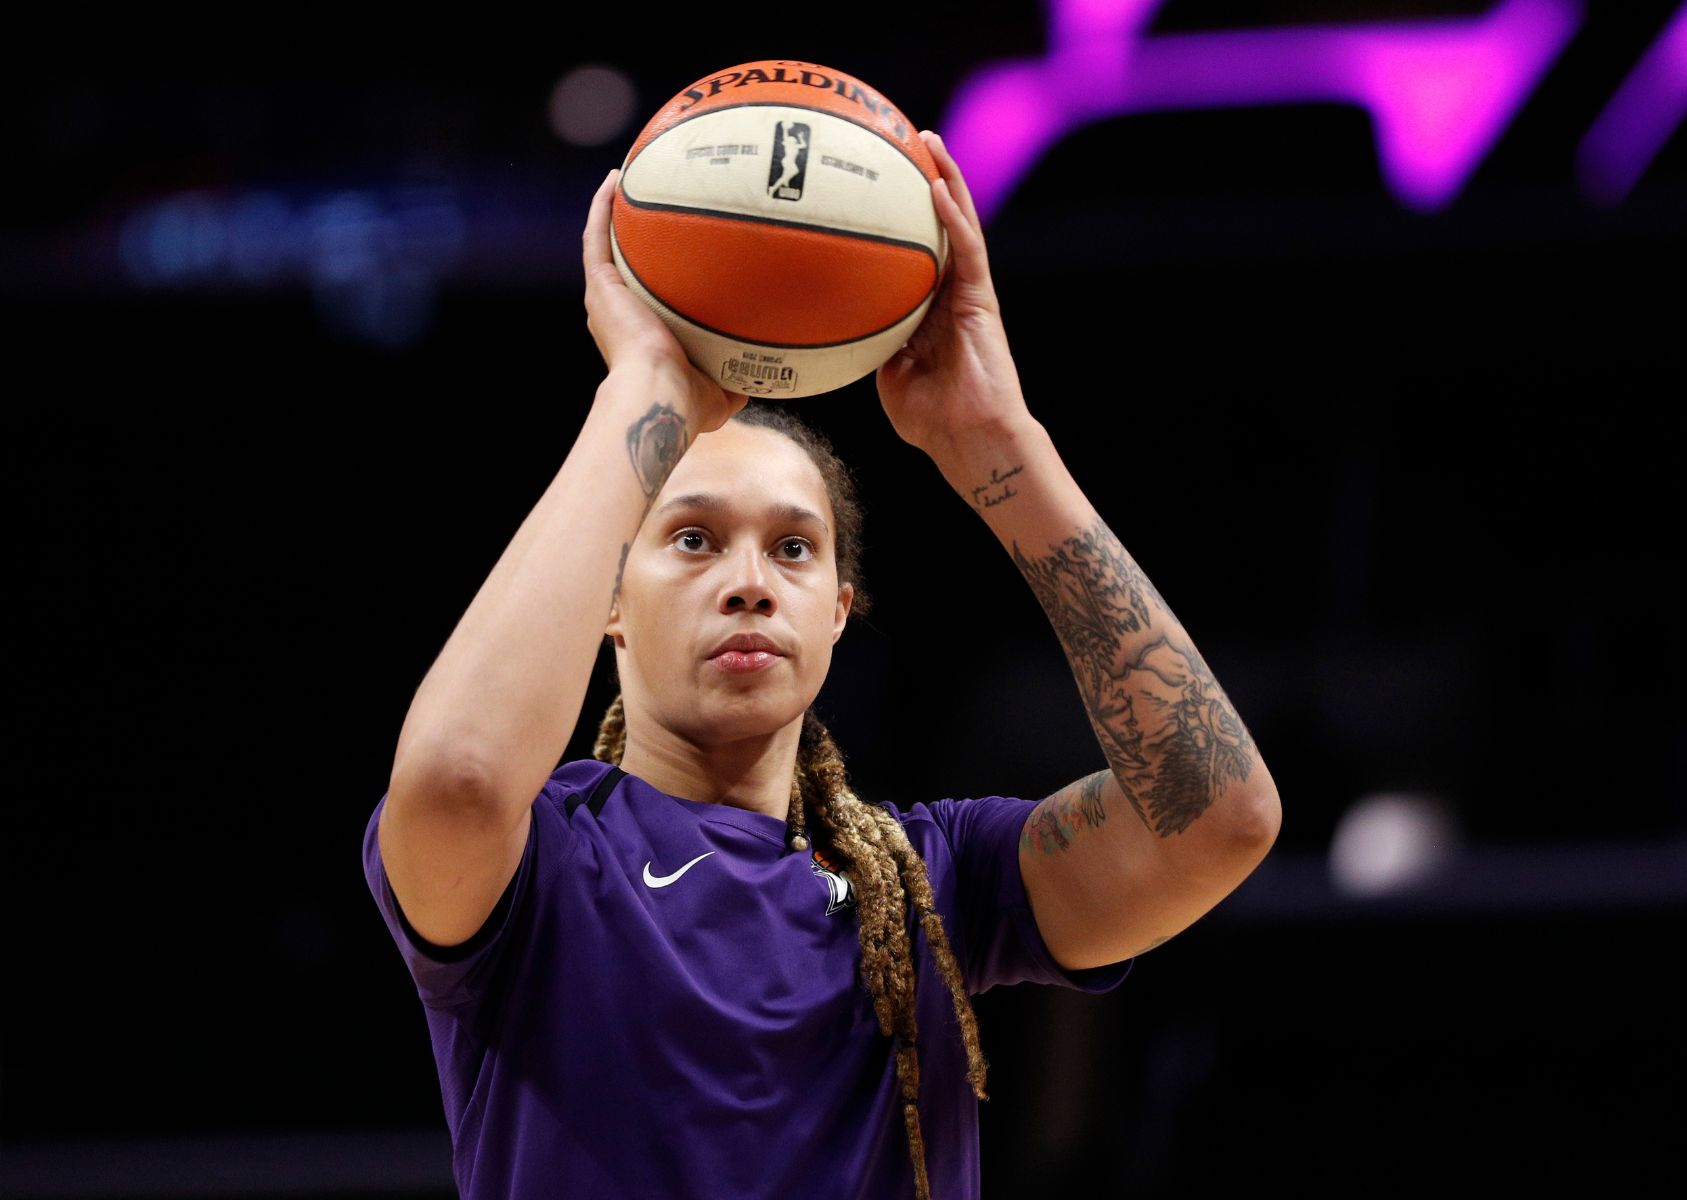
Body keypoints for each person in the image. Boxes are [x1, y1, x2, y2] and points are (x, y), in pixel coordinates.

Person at [361, 129, 1282, 1200]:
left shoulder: (935, 881)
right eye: (693, 539)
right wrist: (643, 387)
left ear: (839, 611)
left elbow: (1219, 817)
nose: (750, 582)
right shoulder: (549, 861)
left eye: (794, 548)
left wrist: (996, 441)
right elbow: (457, 777)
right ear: (606, 599)